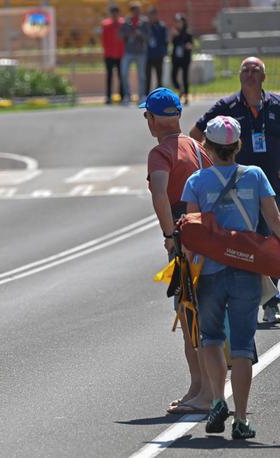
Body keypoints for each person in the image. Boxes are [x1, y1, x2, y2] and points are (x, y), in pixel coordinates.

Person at [181, 115, 280, 439]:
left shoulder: (196, 181)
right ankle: (240, 418)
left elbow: (193, 235)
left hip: (209, 272)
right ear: (238, 146)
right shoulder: (255, 176)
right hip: (247, 270)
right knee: (241, 346)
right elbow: (274, 221)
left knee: (209, 339)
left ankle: (215, 402)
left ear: (207, 146)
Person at [189, 57, 280, 322]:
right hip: (234, 185)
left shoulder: (276, 105)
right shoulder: (226, 107)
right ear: (239, 77)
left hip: (270, 184)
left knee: (269, 239)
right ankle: (249, 297)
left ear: (264, 77)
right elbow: (194, 136)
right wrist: (211, 171)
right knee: (245, 239)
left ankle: (269, 299)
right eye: (246, 70)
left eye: (256, 70)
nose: (251, 74)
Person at [141, 87, 214, 413]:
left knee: (188, 314)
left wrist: (169, 234)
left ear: (153, 120)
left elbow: (159, 192)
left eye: (147, 116)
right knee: (202, 310)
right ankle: (199, 387)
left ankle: (205, 392)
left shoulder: (161, 153)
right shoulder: (198, 148)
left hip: (184, 237)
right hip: (210, 235)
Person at [120, 1, 150, 104]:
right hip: (128, 52)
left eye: (138, 10)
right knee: (124, 73)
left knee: (141, 75)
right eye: (135, 10)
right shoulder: (126, 21)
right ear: (131, 11)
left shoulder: (144, 21)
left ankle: (141, 96)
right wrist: (129, 34)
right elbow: (121, 35)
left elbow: (148, 37)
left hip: (140, 52)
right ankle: (127, 96)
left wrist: (140, 35)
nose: (137, 12)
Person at [101, 5, 125, 104]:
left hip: (120, 54)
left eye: (116, 13)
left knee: (121, 76)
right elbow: (104, 39)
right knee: (109, 76)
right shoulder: (105, 24)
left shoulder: (123, 23)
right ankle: (108, 96)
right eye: (113, 13)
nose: (114, 15)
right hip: (109, 54)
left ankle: (122, 96)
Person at [171, 13, 193, 105]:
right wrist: (174, 36)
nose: (178, 24)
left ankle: (186, 96)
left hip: (185, 58)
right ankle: (180, 90)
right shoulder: (174, 33)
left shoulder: (187, 34)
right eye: (177, 22)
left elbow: (190, 44)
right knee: (173, 76)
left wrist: (189, 46)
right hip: (176, 58)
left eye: (180, 22)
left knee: (185, 77)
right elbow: (172, 43)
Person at [145, 7, 168, 95]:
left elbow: (165, 40)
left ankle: (160, 95)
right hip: (148, 55)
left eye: (152, 15)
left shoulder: (161, 26)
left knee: (159, 77)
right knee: (148, 77)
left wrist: (164, 53)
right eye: (149, 15)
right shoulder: (146, 26)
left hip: (159, 54)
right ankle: (147, 95)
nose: (151, 17)